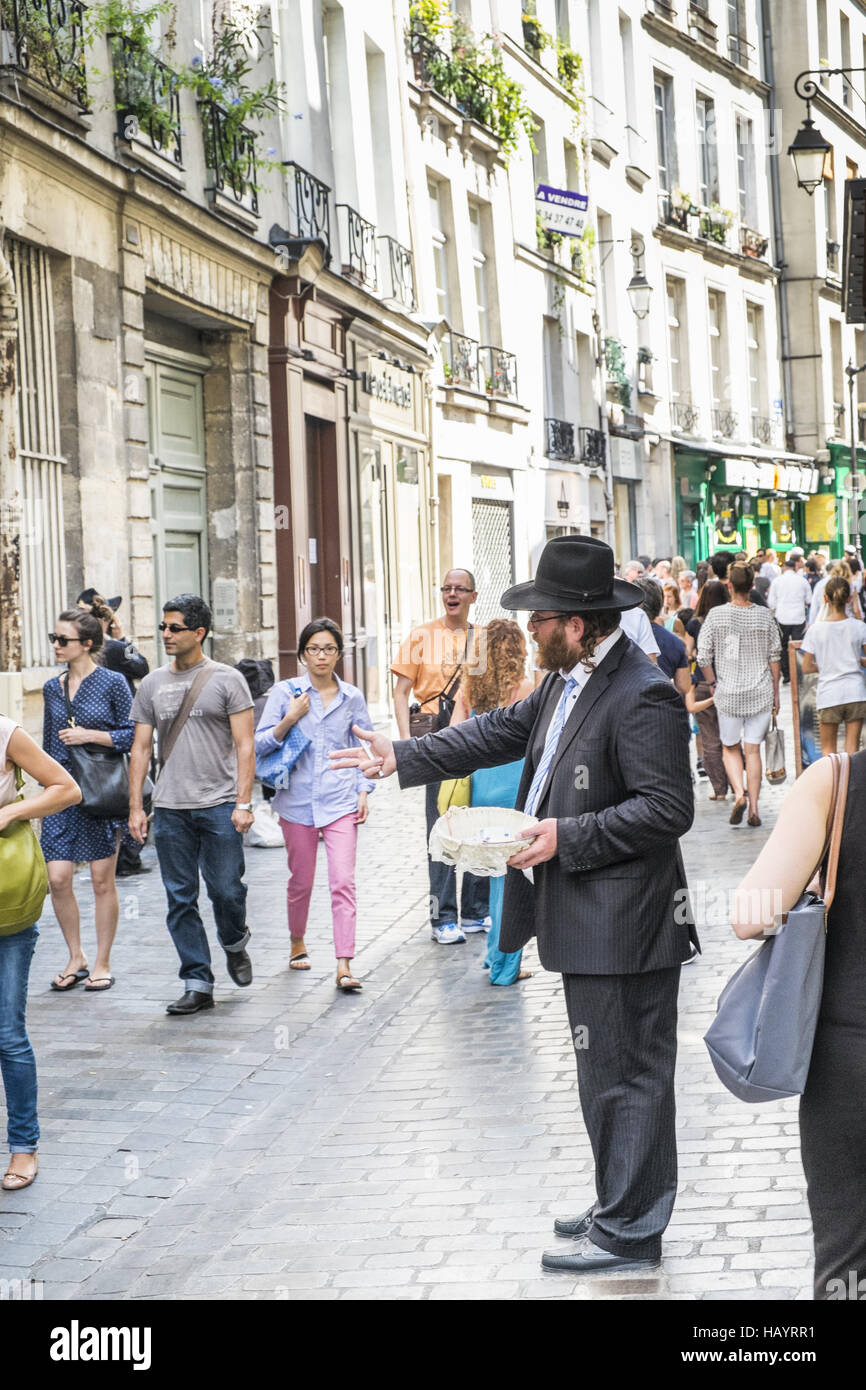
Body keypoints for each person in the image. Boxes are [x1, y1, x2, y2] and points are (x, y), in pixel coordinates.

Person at [331, 535, 697, 1275]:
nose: (529, 629)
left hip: (626, 921)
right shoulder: (567, 683)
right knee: (605, 1074)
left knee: (630, 1074)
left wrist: (568, 835)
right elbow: (498, 730)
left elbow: (669, 809)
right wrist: (402, 756)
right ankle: (617, 1202)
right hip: (588, 917)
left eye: (541, 617)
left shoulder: (642, 691)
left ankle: (631, 1232)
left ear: (580, 622)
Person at [731, 752, 866, 1298]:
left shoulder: (835, 782)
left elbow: (750, 916)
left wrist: (814, 878)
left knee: (847, 1256)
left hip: (850, 1059)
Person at [128, 594, 255, 1015]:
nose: (166, 634)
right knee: (180, 898)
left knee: (226, 890)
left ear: (199, 633)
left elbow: (245, 745)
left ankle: (234, 942)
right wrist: (136, 807)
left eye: (175, 627)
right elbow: (141, 749)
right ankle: (197, 980)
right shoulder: (152, 684)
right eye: (163, 626)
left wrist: (243, 802)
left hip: (219, 804)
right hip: (170, 809)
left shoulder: (227, 679)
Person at [255, 618, 373, 992]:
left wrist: (363, 789)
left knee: (342, 881)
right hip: (296, 801)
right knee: (301, 881)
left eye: (329, 649)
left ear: (339, 653)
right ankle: (296, 940)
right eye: (314, 649)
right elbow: (258, 746)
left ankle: (344, 964)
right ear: (303, 654)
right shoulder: (284, 693)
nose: (321, 656)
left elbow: (363, 747)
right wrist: (289, 719)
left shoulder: (352, 697)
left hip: (340, 799)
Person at [0, 713, 80, 1189]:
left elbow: (66, 788)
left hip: (7, 902)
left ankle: (23, 1147)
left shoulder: (5, 732)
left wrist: (9, 812)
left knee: (8, 1032)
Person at [390, 570, 488, 945]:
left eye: (459, 589)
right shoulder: (420, 636)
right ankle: (442, 916)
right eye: (446, 588)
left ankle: (477, 911)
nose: (451, 594)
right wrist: (405, 745)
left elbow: (486, 692)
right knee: (442, 825)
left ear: (473, 596)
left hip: (474, 735)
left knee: (478, 818)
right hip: (433, 735)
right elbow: (400, 692)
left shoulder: (480, 638)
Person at [41, 611, 135, 993]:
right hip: (61, 792)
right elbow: (48, 743)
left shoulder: (113, 682)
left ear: (88, 644)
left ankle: (102, 961)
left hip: (99, 792)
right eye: (55, 637)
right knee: (58, 878)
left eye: (63, 639)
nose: (57, 645)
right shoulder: (51, 687)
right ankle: (75, 956)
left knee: (100, 880)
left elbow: (133, 735)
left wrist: (89, 736)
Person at [449, 618, 534, 987]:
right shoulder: (526, 687)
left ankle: (493, 954)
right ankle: (505, 965)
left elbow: (453, 736)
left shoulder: (470, 688)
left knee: (499, 875)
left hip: (482, 787)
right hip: (515, 786)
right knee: (512, 879)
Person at [698, 562, 781, 827]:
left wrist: (713, 683)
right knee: (753, 750)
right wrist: (776, 692)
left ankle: (740, 794)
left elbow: (702, 657)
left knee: (730, 747)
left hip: (729, 692)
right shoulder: (765, 616)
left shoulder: (716, 615)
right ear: (752, 585)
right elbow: (775, 657)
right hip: (760, 691)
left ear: (729, 585)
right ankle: (755, 808)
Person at [77, 593, 150, 879]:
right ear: (107, 622)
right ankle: (129, 856)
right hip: (123, 730)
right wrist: (124, 636)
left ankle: (111, 853)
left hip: (91, 733)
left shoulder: (78, 655)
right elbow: (142, 665)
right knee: (136, 790)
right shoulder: (118, 648)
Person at [801, 577, 866, 756]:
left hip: (829, 694)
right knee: (853, 750)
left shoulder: (815, 630)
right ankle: (850, 784)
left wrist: (825, 664)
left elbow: (806, 667)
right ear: (849, 599)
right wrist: (857, 661)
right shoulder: (859, 628)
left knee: (828, 752)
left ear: (825, 598)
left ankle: (832, 784)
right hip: (855, 692)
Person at [686, 581, 731, 801]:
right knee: (731, 735)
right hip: (730, 681)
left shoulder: (695, 623)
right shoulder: (730, 620)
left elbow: (688, 652)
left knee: (710, 738)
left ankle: (720, 789)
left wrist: (697, 654)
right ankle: (738, 783)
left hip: (704, 683)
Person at [637, 580, 689, 696]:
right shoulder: (675, 642)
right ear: (660, 603)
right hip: (662, 704)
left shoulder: (622, 636)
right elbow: (683, 686)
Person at [768, 556, 813, 683]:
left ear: (784, 568)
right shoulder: (802, 581)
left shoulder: (777, 581)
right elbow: (809, 600)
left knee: (782, 646)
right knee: (799, 645)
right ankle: (799, 672)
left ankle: (787, 673)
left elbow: (771, 602)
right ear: (795, 568)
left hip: (782, 617)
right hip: (798, 617)